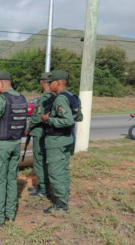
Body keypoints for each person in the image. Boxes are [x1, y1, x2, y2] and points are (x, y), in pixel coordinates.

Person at [0, 71, 28, 226]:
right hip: (15, 144)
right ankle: (10, 214)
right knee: (10, 180)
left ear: (2, 83)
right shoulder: (22, 98)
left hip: (1, 146)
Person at [41, 70, 83, 213]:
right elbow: (79, 117)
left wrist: (48, 119)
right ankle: (64, 197)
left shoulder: (60, 99)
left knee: (56, 172)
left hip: (56, 140)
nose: (48, 84)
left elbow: (68, 120)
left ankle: (61, 205)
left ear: (58, 82)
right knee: (63, 170)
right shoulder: (73, 96)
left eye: (50, 82)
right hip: (66, 138)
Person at [25, 72, 56, 198]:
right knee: (42, 160)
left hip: (39, 132)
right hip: (46, 132)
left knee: (39, 161)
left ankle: (43, 189)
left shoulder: (45, 98)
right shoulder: (53, 96)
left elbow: (37, 117)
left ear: (42, 82)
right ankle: (42, 184)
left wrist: (28, 128)